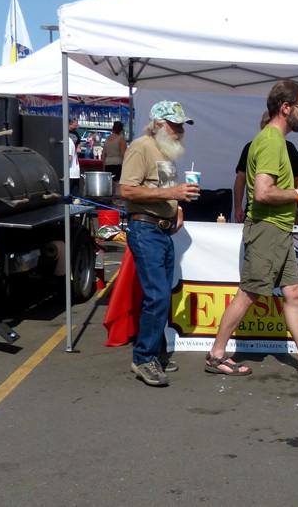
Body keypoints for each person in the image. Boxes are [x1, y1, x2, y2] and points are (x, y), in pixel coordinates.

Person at [206, 80, 298, 376]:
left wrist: (297, 212)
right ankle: (216, 355)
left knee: (292, 291)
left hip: (278, 229)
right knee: (249, 293)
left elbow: (268, 195)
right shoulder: (270, 142)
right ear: (286, 107)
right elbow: (263, 193)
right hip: (267, 230)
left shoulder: (276, 141)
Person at [120, 100, 200, 387]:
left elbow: (165, 191)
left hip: (160, 230)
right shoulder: (142, 146)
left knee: (162, 294)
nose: (180, 130)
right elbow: (127, 190)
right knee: (157, 295)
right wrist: (175, 192)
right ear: (157, 124)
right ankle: (143, 358)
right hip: (145, 228)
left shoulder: (165, 150)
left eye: (181, 125)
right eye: (175, 124)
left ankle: (154, 353)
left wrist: (177, 206)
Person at [233, 110, 298, 223]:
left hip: (284, 215)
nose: (269, 125)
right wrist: (237, 208)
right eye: (266, 122)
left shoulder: (288, 147)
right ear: (261, 124)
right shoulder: (255, 145)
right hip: (263, 216)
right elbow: (241, 180)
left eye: (270, 121)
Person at [67, 115, 81, 197]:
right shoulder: (66, 135)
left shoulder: (74, 136)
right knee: (74, 195)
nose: (77, 125)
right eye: (75, 124)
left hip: (71, 171)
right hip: (73, 170)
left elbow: (68, 158)